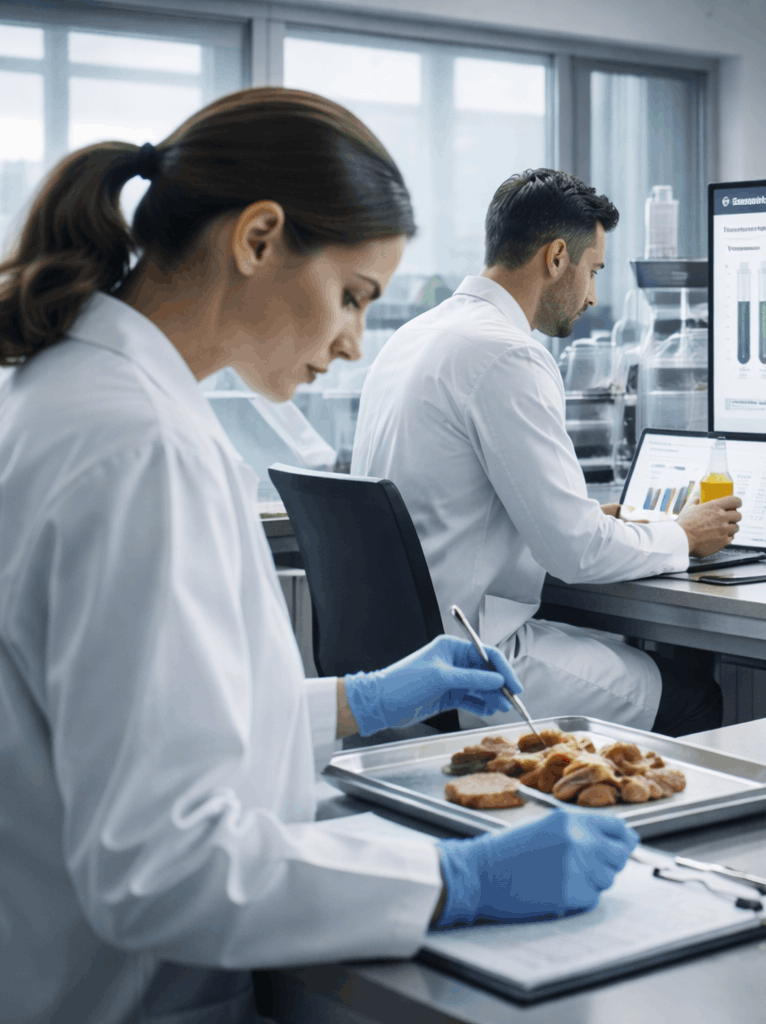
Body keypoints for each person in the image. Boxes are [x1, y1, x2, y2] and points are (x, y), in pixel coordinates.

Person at [0, 89, 637, 1024]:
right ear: (258, 239)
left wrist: (359, 699)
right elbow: (160, 867)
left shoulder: (66, 396)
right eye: (351, 297)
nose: (350, 344)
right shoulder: (140, 449)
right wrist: (448, 878)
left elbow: (132, 722)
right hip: (126, 994)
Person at [352, 168, 738, 736]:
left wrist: (578, 518)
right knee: (694, 696)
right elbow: (576, 554)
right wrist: (684, 534)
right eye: (594, 271)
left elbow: (459, 503)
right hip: (470, 655)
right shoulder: (508, 354)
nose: (592, 296)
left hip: (395, 649)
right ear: (557, 257)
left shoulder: (416, 336)